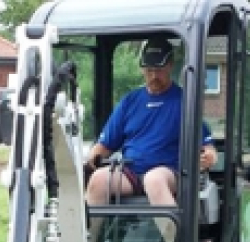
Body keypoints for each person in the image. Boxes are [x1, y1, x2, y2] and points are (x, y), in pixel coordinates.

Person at [85, 35, 217, 212]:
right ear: (142, 70)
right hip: (130, 172)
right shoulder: (129, 102)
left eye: (159, 70)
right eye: (149, 70)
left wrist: (209, 156)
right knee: (98, 180)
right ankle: (88, 239)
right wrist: (91, 159)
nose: (154, 76)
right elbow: (104, 145)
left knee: (154, 180)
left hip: (170, 172)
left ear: (170, 65)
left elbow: (207, 148)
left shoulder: (185, 101)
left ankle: (176, 239)